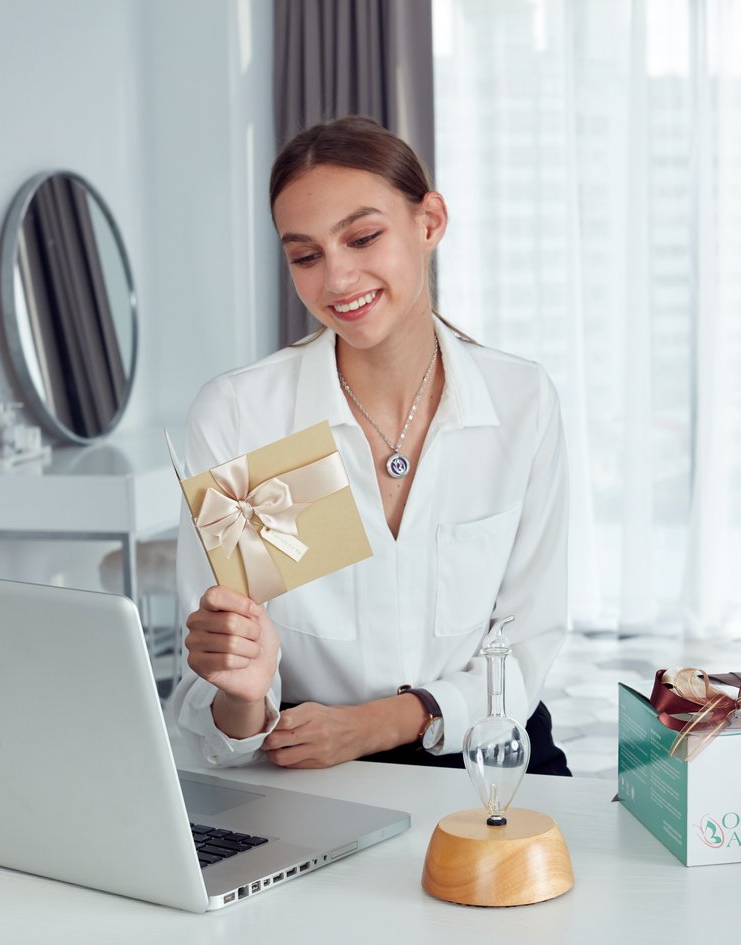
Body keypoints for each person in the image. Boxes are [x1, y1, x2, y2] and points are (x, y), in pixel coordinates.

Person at [170, 115, 570, 777]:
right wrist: (242, 693)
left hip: (487, 753)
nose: (337, 279)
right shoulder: (248, 418)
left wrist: (372, 727)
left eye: (362, 237)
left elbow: (525, 644)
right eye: (306, 255)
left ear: (430, 221)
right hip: (302, 757)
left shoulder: (519, 401)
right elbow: (225, 717)